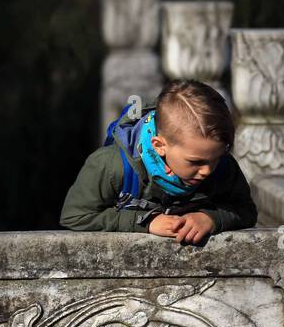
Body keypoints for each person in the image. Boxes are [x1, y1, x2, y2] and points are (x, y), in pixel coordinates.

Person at [60, 79, 257, 243]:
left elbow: (246, 210)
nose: (207, 170)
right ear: (159, 145)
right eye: (195, 162)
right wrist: (145, 223)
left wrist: (211, 219)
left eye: (217, 157)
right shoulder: (112, 166)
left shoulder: (223, 168)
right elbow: (75, 216)